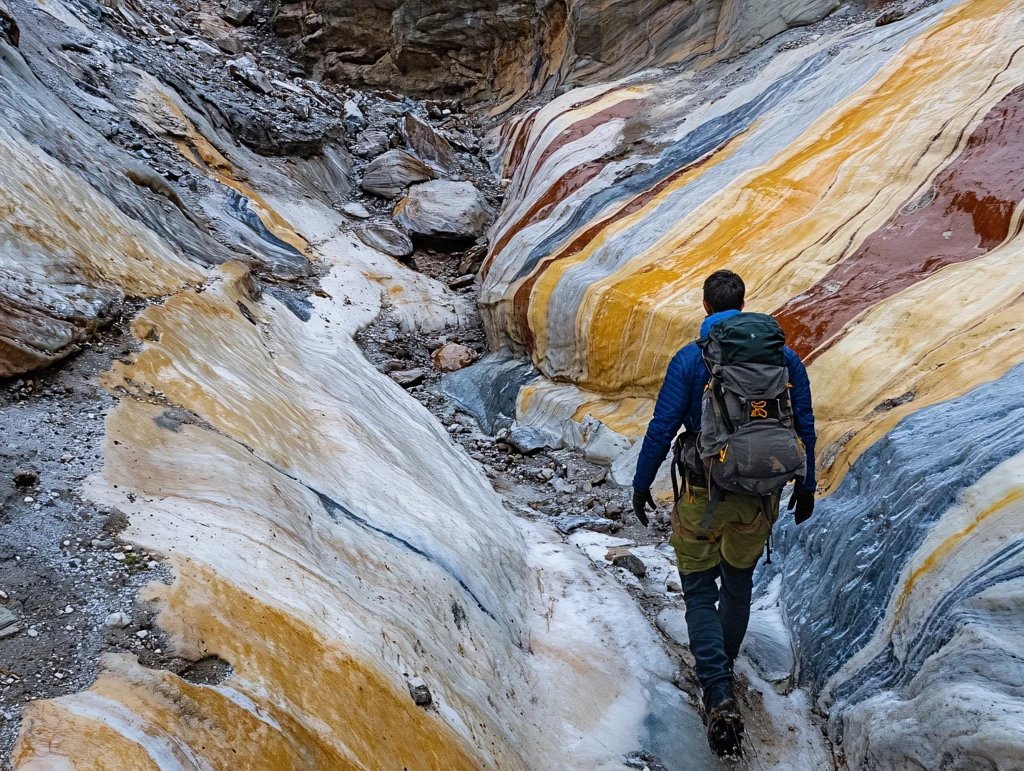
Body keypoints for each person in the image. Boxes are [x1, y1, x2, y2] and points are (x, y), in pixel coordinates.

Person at [631, 270, 816, 756]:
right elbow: (805, 425)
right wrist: (808, 484)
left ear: (706, 305)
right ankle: (724, 668)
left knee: (698, 588)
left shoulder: (693, 358)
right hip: (761, 495)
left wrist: (640, 482)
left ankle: (716, 690)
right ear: (743, 301)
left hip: (701, 491)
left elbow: (663, 424)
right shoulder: (784, 358)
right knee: (737, 583)